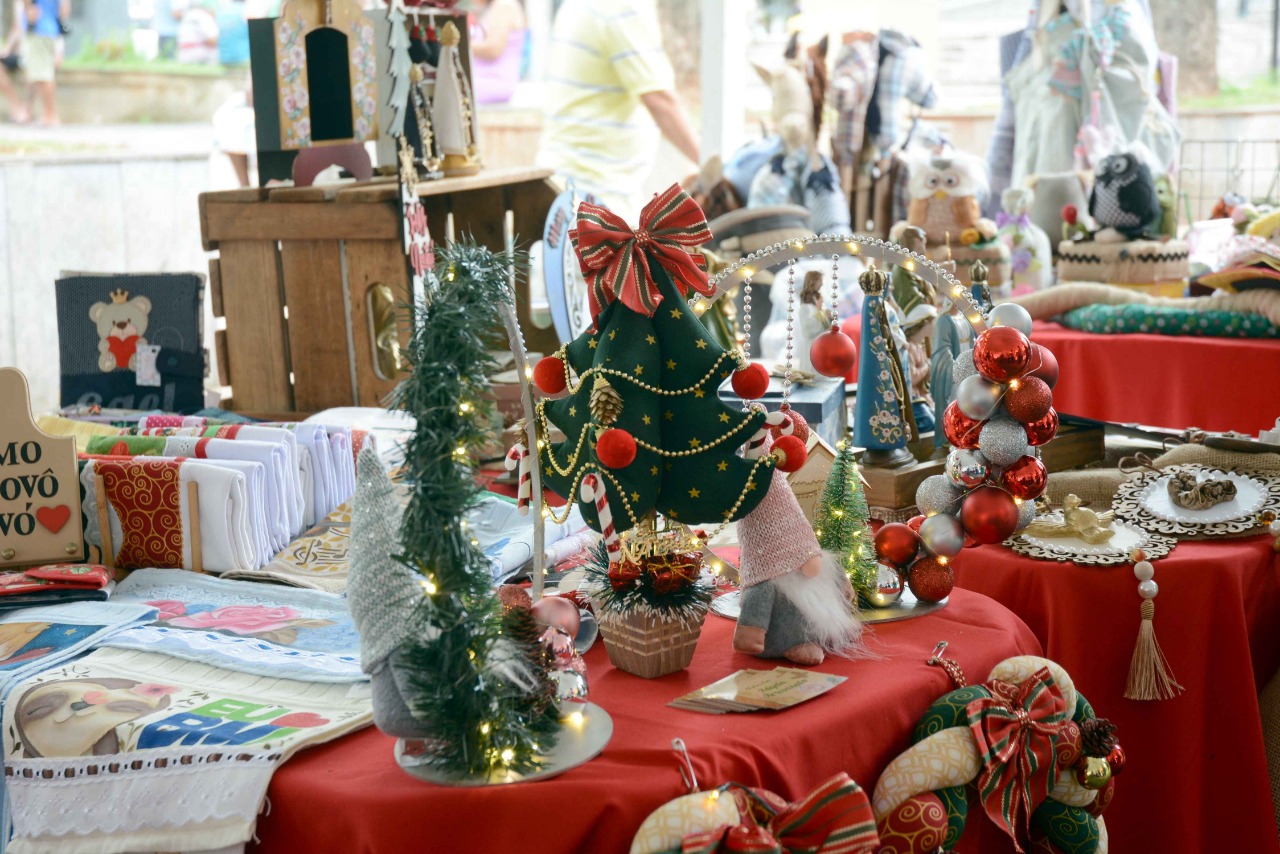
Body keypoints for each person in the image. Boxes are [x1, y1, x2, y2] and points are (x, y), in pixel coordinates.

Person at [537, 0, 699, 212]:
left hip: (572, 187)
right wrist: (715, 167)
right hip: (594, 194)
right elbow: (660, 101)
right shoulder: (622, 6)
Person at [469, 0, 525, 105]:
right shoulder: (494, 6)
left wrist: (458, 43)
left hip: (492, 82)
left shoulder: (504, 5)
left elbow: (494, 48)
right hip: (484, 81)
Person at [21, 0, 67, 126]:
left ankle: (50, 115)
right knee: (43, 73)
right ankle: (44, 114)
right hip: (52, 30)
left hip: (38, 29)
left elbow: (27, 5)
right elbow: (64, 10)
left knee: (43, 75)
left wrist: (28, 10)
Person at [0, 0, 27, 123]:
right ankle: (16, 106)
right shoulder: (18, 3)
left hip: (33, 49)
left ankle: (26, 110)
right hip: (19, 51)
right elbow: (17, 28)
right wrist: (7, 49)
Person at [176, 0, 219, 65]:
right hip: (200, 55)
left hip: (184, 55)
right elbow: (212, 41)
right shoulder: (204, 16)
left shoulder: (186, 16)